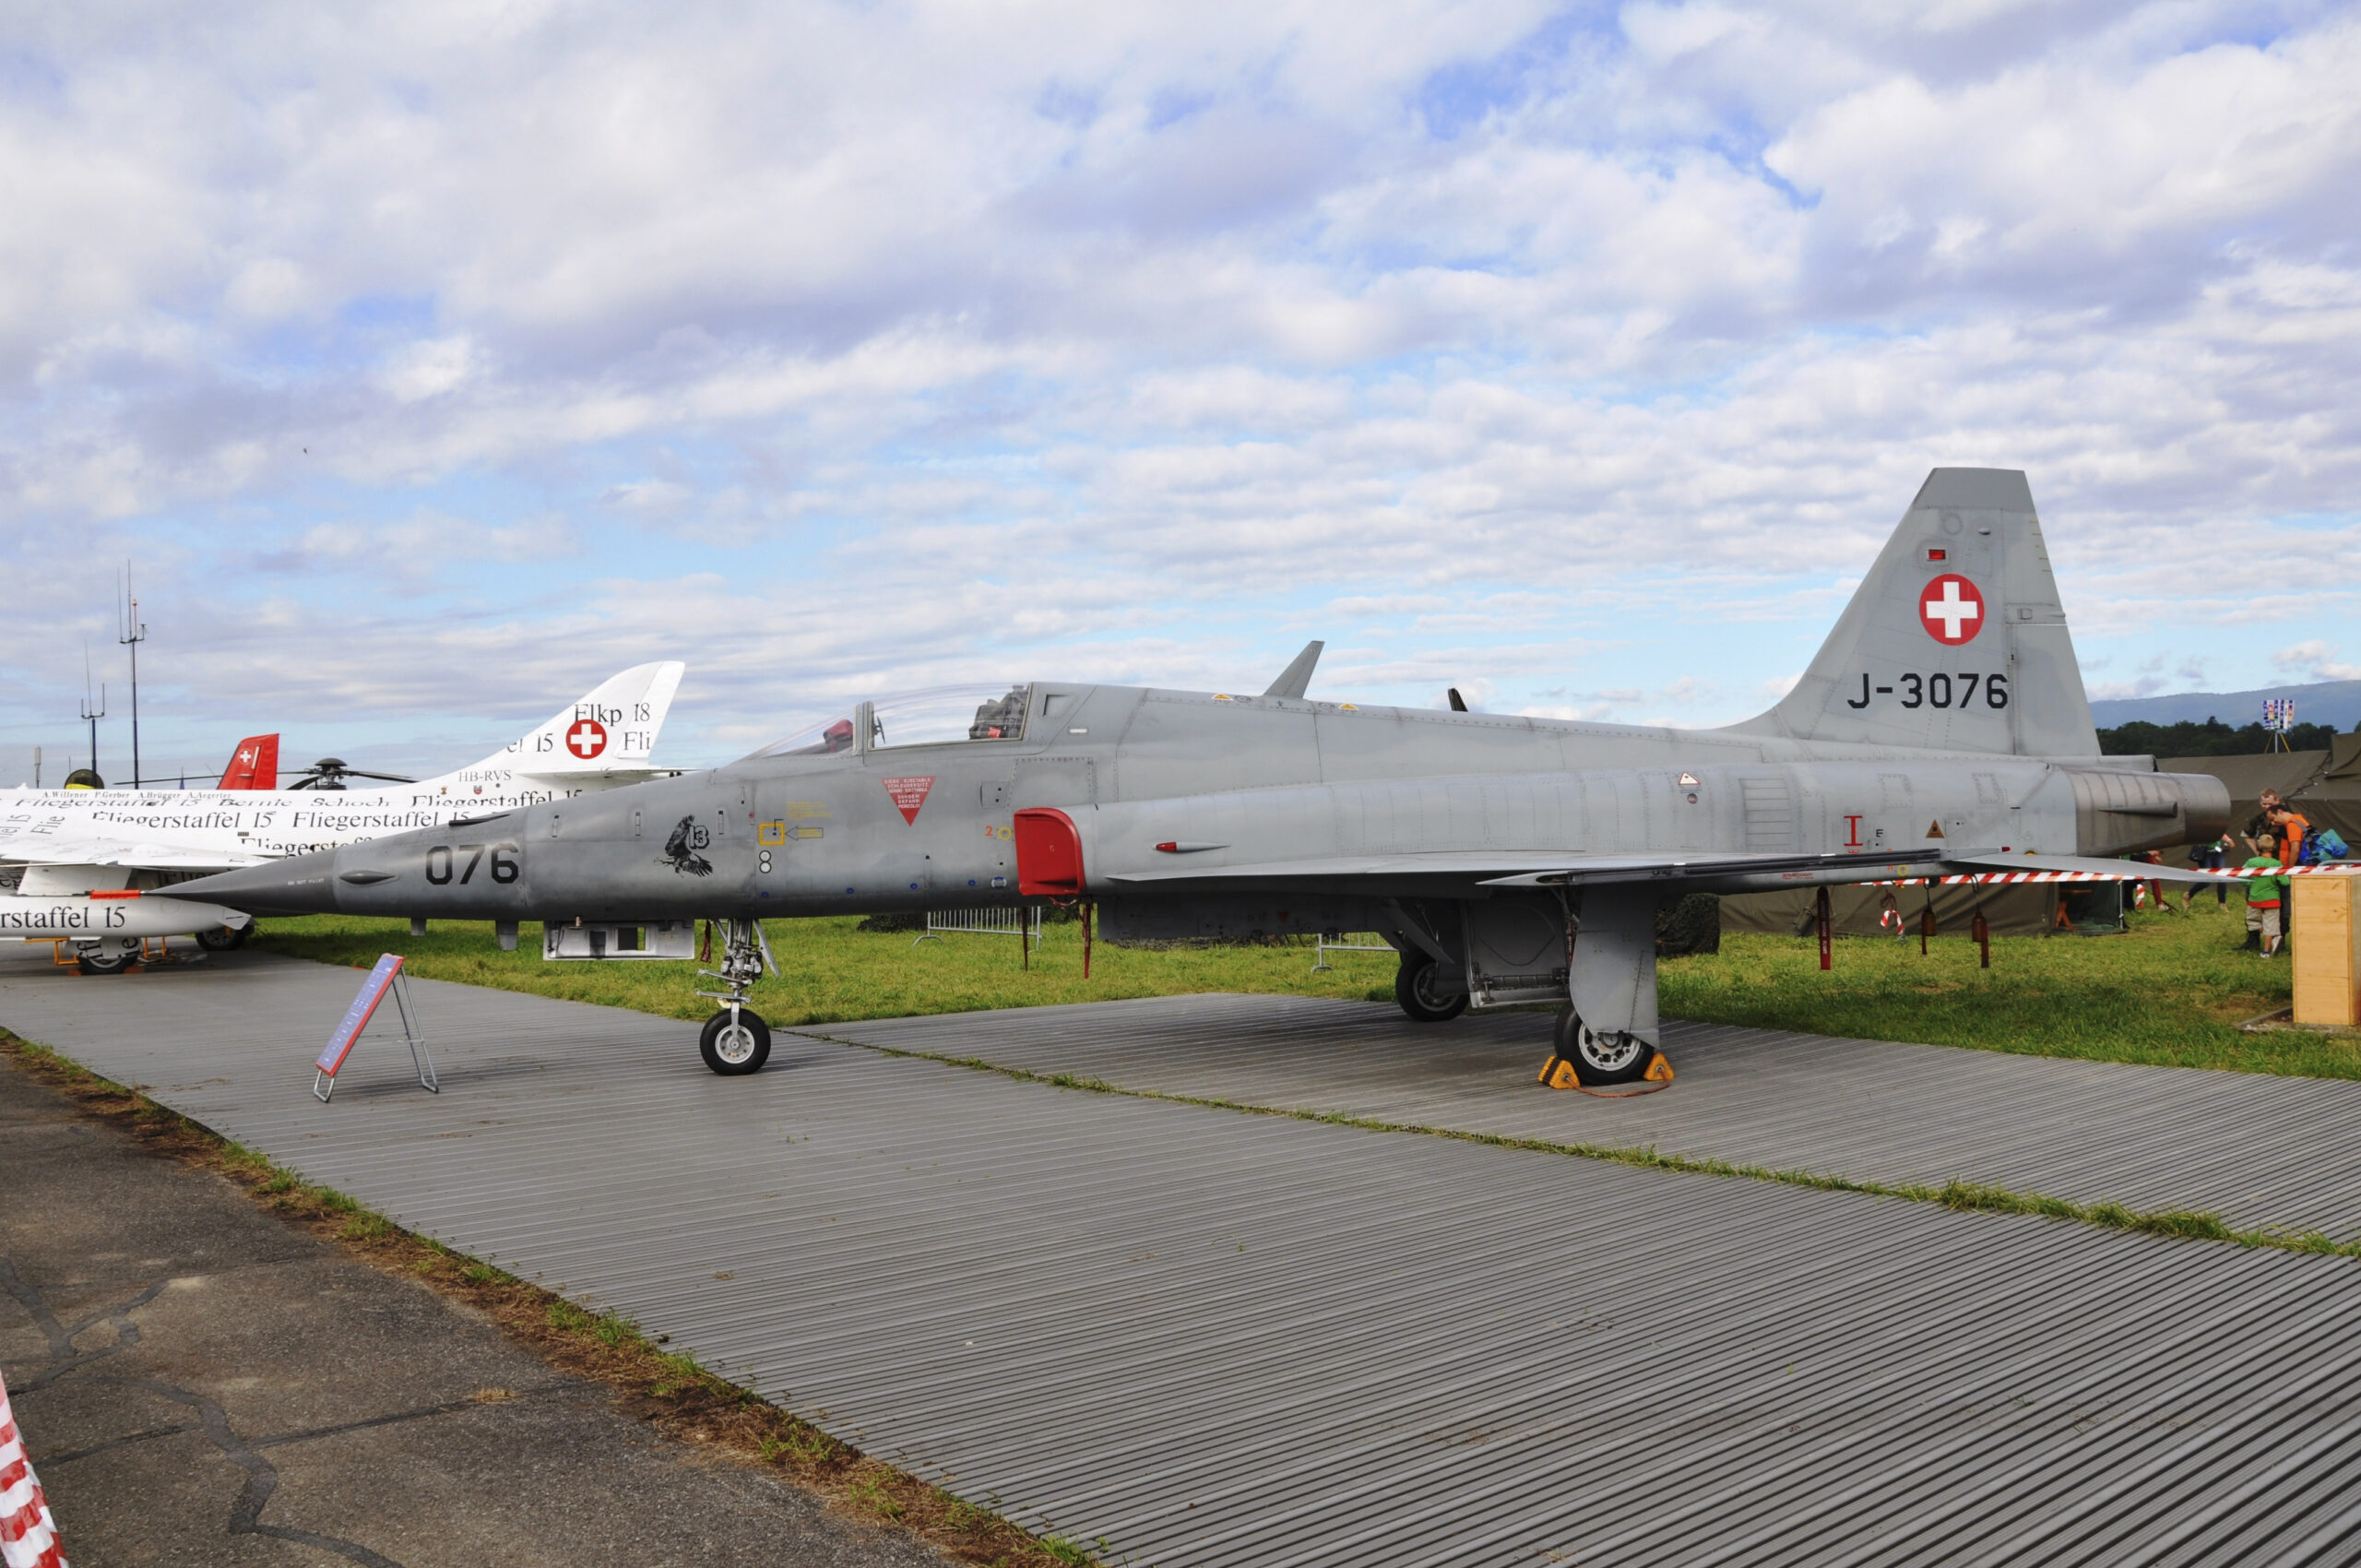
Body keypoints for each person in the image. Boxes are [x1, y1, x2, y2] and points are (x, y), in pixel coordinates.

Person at [2241, 834, 2286, 955]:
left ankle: (2269, 935)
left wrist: (2248, 885)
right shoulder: (2277, 864)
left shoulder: (2251, 862)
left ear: (2258, 846)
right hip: (2272, 899)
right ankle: (2267, 950)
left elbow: (2242, 877)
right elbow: (2285, 881)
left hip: (2254, 899)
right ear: (2274, 847)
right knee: (2271, 925)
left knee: (2252, 921)